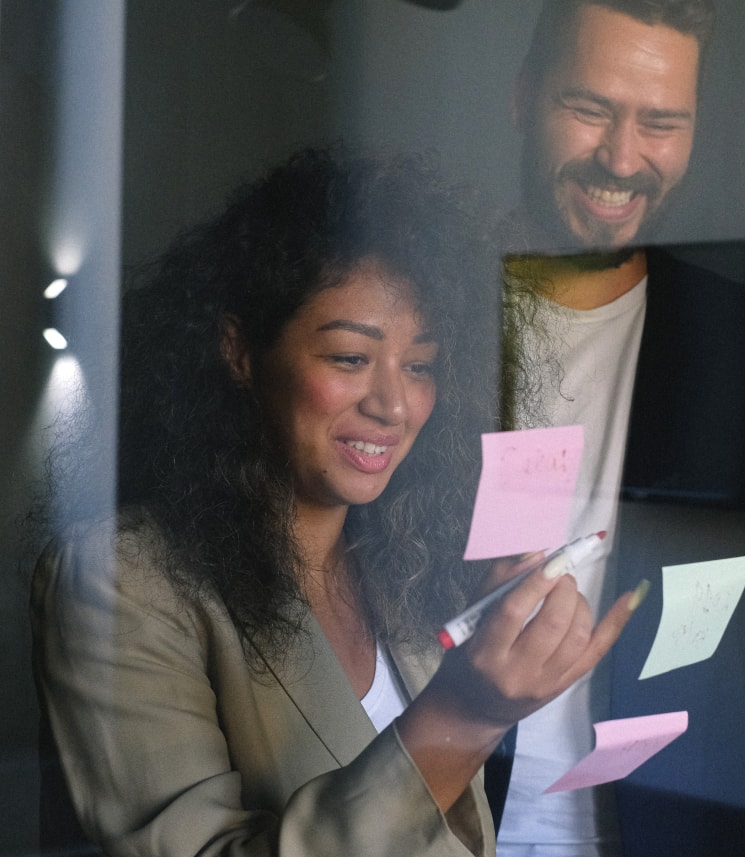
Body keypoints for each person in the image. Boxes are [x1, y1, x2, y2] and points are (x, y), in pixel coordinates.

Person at [30, 148, 644, 857]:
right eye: (350, 358)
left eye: (420, 366)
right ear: (240, 351)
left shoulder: (401, 567)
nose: (394, 403)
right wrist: (465, 715)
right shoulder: (117, 581)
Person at [489, 2, 745, 856]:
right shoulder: (408, 330)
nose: (622, 158)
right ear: (522, 98)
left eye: (660, 122)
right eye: (589, 109)